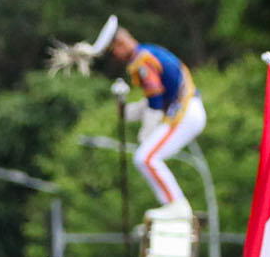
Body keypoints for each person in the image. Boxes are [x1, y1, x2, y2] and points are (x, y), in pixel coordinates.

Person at [84, 15, 206, 211]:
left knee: (146, 157)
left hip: (184, 112)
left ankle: (176, 206)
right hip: (184, 110)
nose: (114, 56)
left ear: (121, 43)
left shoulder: (142, 61)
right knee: (146, 157)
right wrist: (127, 112)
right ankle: (173, 205)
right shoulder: (148, 52)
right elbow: (155, 99)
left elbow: (156, 101)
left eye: (113, 50)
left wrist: (147, 130)